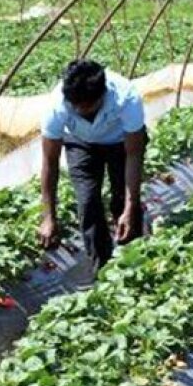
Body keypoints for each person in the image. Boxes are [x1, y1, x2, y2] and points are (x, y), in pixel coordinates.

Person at [38, 59, 147, 273]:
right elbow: (50, 163)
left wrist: (130, 205)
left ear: (103, 95)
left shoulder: (126, 97)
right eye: (76, 106)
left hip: (120, 143)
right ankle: (102, 269)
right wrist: (48, 217)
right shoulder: (56, 106)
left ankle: (135, 263)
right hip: (81, 144)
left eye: (88, 106)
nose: (81, 110)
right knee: (88, 203)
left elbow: (134, 154)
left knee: (122, 201)